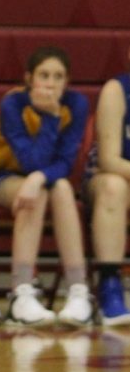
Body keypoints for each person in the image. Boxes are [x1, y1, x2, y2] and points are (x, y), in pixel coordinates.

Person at [0, 46, 91, 328]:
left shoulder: (77, 104)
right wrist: (51, 118)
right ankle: (22, 293)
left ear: (67, 81)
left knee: (63, 188)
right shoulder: (13, 104)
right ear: (29, 78)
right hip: (3, 176)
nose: (51, 83)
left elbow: (65, 162)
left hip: (45, 181)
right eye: (44, 75)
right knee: (39, 194)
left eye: (58, 76)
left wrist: (38, 178)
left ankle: (79, 292)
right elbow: (30, 160)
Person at [80, 52, 130, 326]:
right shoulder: (117, 90)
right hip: (108, 180)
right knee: (114, 186)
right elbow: (110, 160)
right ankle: (110, 285)